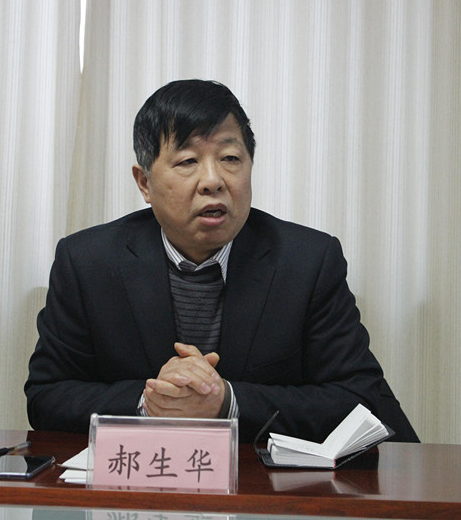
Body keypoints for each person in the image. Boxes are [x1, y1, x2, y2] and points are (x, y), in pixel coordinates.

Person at [25, 79, 383, 443]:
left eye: (230, 159)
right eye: (187, 161)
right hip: (138, 472)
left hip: (256, 477)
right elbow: (46, 396)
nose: (213, 181)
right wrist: (151, 402)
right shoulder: (87, 262)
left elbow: (364, 401)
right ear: (144, 182)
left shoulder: (308, 262)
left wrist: (227, 401)